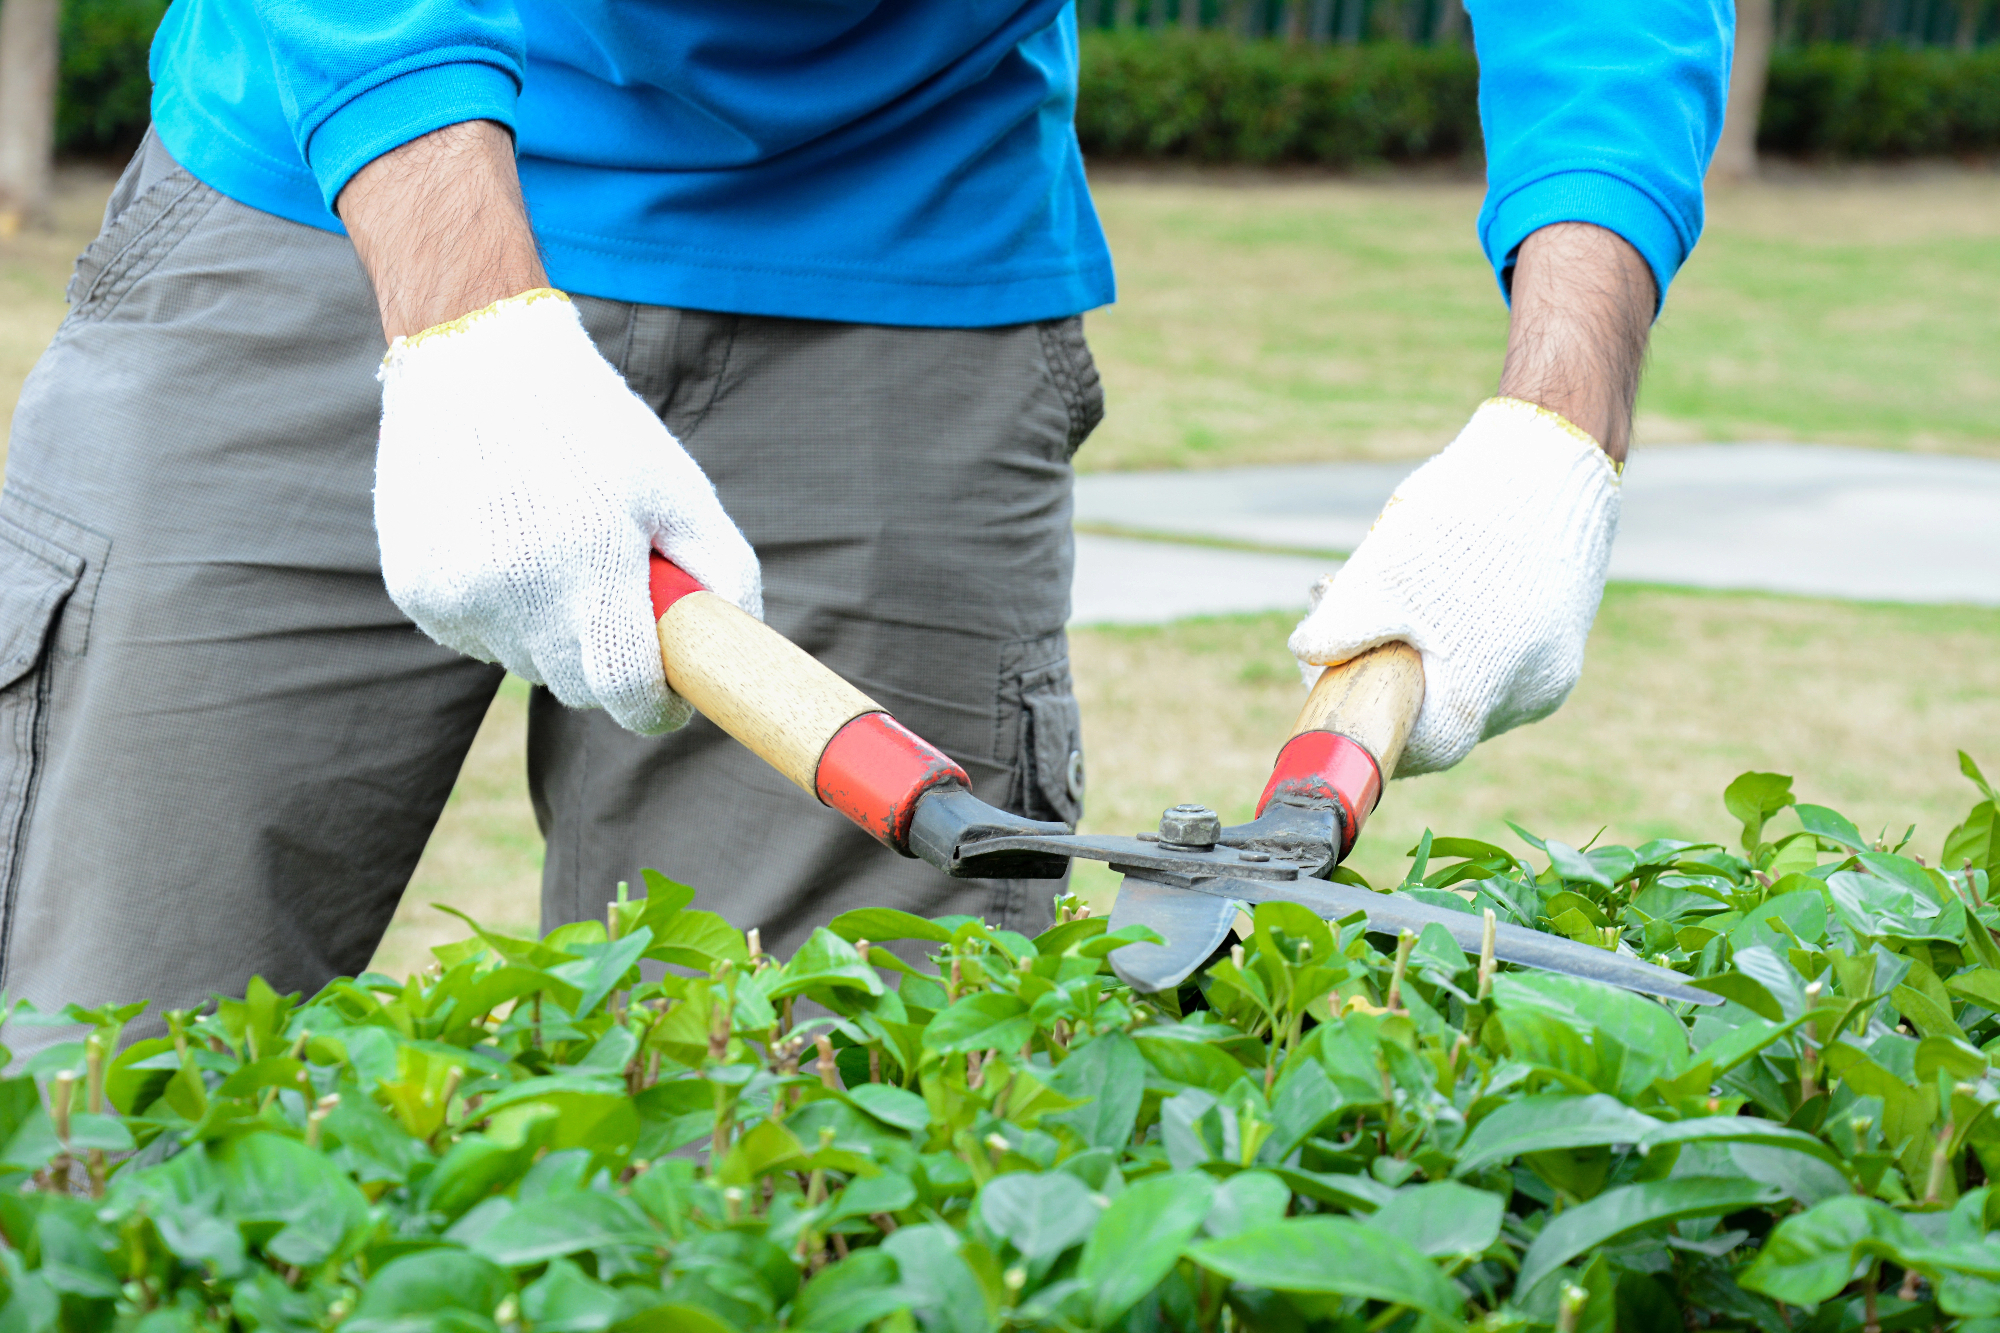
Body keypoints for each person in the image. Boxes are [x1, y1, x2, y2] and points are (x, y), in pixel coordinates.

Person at [0, 1, 1729, 1042]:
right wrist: (462, 316)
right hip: (323, 156)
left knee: (812, 1157)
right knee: (92, 1081)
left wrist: (1557, 424)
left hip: (899, 252)